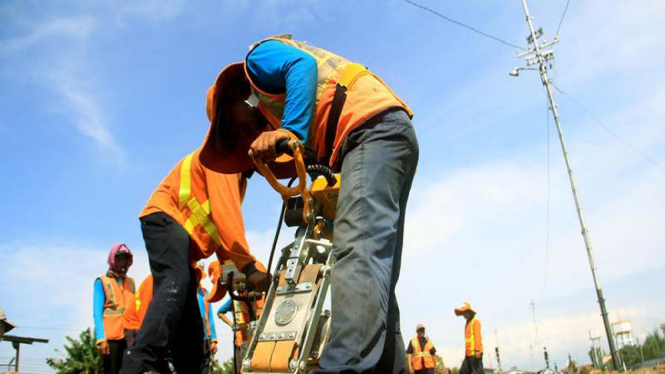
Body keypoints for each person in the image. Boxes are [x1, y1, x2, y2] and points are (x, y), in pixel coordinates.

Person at [200, 34, 419, 374]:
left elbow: (300, 65)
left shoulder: (258, 59)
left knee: (357, 255)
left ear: (236, 96)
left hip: (369, 130)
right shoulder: (287, 109)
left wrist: (291, 131)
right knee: (375, 270)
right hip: (386, 134)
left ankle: (341, 366)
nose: (239, 134)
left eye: (230, 125)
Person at [120, 148, 268, 374]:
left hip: (181, 241)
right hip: (164, 217)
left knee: (189, 319)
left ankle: (190, 366)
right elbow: (227, 221)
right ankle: (140, 363)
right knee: (175, 281)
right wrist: (248, 267)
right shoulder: (224, 156)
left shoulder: (239, 180)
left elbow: (221, 234)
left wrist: (233, 271)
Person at [93, 244, 140, 374]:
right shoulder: (102, 281)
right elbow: (97, 313)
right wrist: (101, 339)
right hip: (111, 337)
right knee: (111, 370)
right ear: (112, 259)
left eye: (124, 259)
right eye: (118, 258)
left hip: (129, 336)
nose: (121, 262)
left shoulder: (131, 282)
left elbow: (135, 308)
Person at [194, 262, 218, 374]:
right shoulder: (184, 291)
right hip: (189, 338)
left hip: (205, 339)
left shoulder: (205, 293)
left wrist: (213, 339)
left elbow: (210, 317)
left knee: (205, 368)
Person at [455, 302, 483, 374]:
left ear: (469, 312)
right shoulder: (467, 323)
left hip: (475, 353)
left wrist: (477, 350)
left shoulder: (475, 322)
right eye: (462, 313)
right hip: (468, 354)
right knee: (463, 371)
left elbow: (477, 336)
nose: (463, 315)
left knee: (477, 372)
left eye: (464, 312)